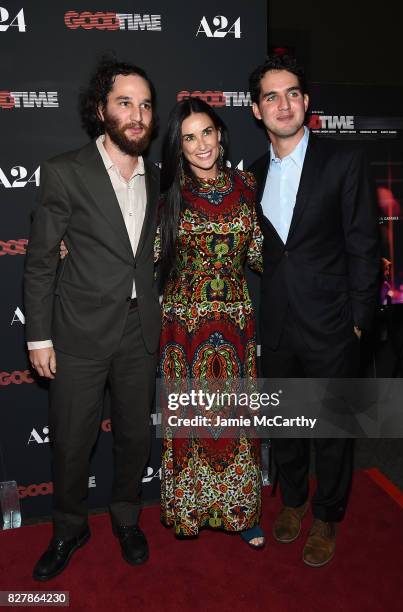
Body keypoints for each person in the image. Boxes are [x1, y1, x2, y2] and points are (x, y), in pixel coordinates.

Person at [24, 57, 161, 581]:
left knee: (132, 436)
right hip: (77, 331)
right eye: (125, 102)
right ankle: (68, 527)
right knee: (72, 439)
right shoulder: (65, 171)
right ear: (101, 109)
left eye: (146, 105)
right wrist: (39, 335)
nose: (137, 114)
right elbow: (40, 262)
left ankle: (127, 518)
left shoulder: (161, 174)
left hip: (139, 329)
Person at [248, 54, 380, 566]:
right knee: (285, 424)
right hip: (277, 323)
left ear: (306, 101)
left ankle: (327, 514)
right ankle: (295, 501)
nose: (284, 104)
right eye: (271, 96)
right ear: (257, 110)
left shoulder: (343, 161)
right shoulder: (252, 175)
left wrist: (359, 320)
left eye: (293, 93)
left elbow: (364, 244)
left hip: (333, 324)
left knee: (331, 428)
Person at [157, 98, 265, 548]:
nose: (201, 145)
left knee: (237, 421)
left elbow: (261, 252)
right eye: (189, 138)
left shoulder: (248, 184)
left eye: (207, 133)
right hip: (184, 327)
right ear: (179, 147)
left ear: (220, 135)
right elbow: (146, 255)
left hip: (236, 324)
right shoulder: (167, 193)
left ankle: (243, 512)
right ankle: (190, 510)